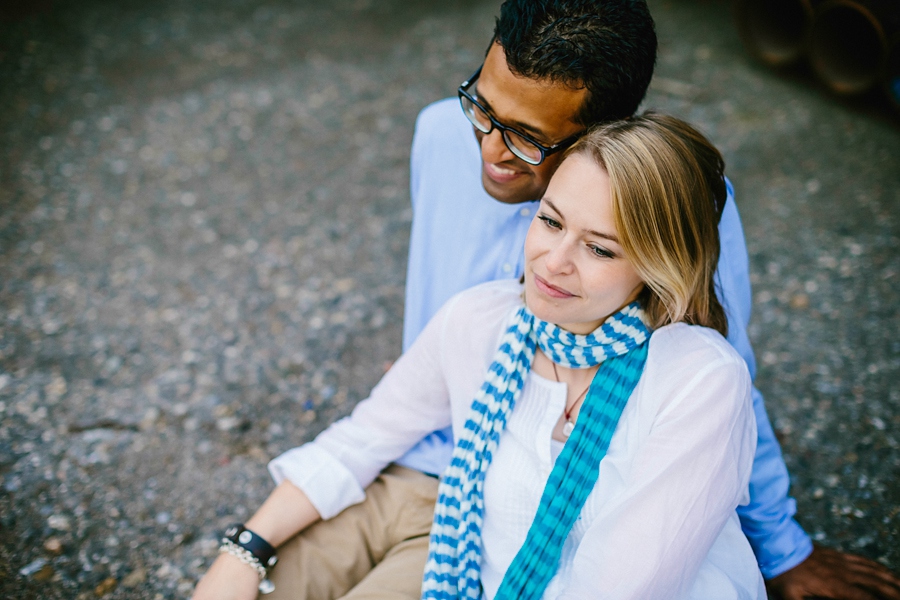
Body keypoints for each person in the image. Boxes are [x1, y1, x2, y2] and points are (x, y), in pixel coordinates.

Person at [197, 1, 900, 598]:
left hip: (512, 499)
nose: (491, 152)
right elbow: (406, 384)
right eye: (484, 106)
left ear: (606, 135)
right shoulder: (444, 138)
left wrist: (783, 550)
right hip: (417, 446)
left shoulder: (681, 290)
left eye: (529, 139)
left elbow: (721, 372)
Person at [195, 112, 766, 599]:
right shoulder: (482, 321)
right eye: (550, 220)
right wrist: (244, 550)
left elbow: (618, 587)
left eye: (598, 248)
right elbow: (362, 440)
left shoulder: (698, 379)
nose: (553, 260)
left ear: (658, 263)